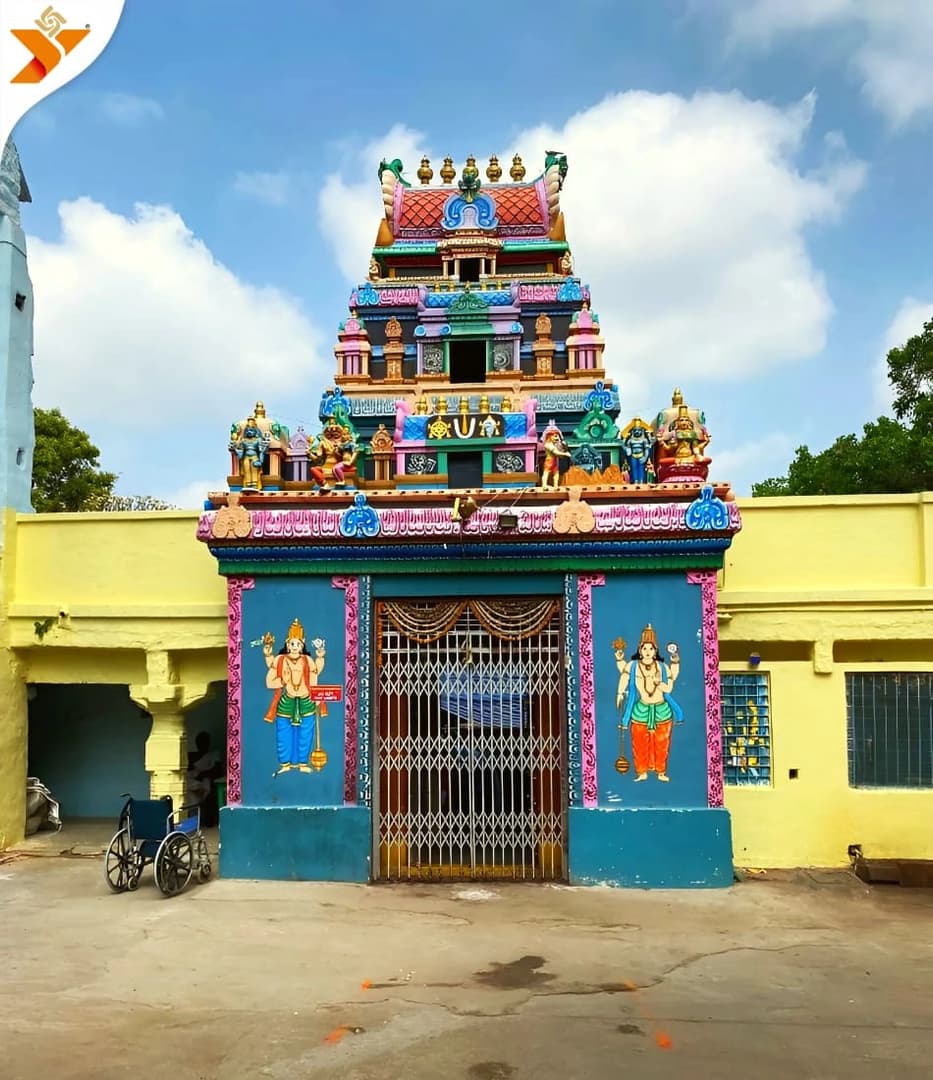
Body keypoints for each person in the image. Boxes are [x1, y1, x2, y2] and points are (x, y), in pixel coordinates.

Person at [615, 625, 682, 782]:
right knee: (639, 743)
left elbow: (669, 687)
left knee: (661, 742)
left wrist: (660, 683)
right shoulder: (633, 666)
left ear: (655, 651)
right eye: (644, 648)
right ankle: (641, 772)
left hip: (662, 710)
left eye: (650, 649)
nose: (647, 652)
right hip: (640, 710)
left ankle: (661, 771)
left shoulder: (663, 668)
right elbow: (624, 674)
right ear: (640, 649)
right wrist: (619, 693)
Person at [263, 619, 327, 774]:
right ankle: (285, 763)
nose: (295, 647)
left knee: (305, 733)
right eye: (292, 644)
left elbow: (314, 675)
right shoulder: (281, 660)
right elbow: (270, 679)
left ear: (303, 643)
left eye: (298, 644)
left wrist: (320, 657)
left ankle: (302, 763)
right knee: (284, 733)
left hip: (306, 700)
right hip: (287, 701)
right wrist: (281, 679)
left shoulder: (307, 660)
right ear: (287, 643)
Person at [186, 732, 224, 826]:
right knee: (186, 787)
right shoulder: (192, 756)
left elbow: (217, 770)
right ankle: (192, 821)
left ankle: (205, 820)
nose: (201, 745)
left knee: (206, 784)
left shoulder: (213, 755)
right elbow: (188, 770)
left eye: (204, 742)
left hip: (206, 780)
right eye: (199, 742)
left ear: (208, 743)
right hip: (192, 781)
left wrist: (202, 775)